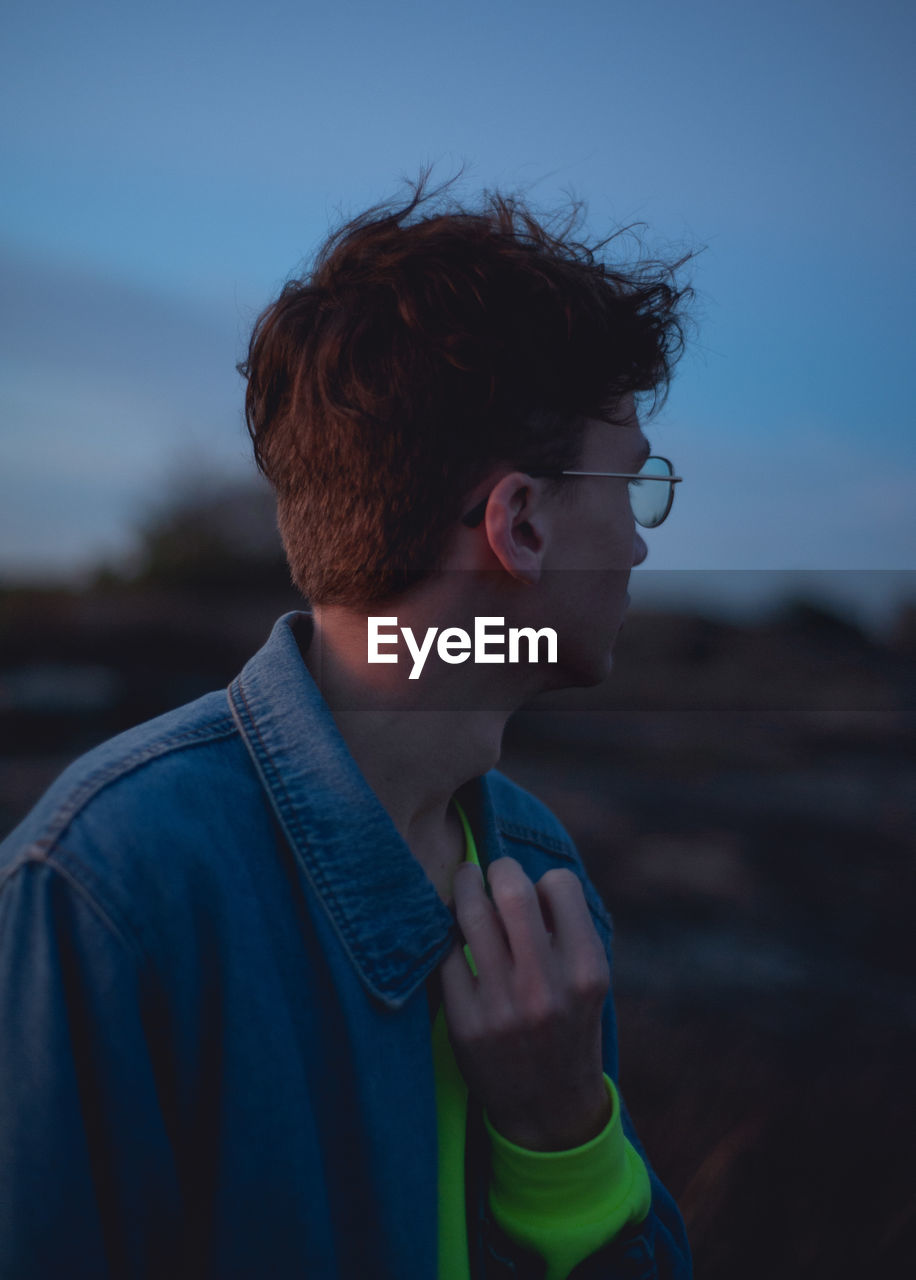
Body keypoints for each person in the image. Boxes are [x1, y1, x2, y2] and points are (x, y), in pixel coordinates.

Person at [0, 171, 696, 1278]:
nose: (644, 541)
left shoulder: (546, 883)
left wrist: (566, 1136)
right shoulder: (108, 889)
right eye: (634, 481)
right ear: (519, 520)